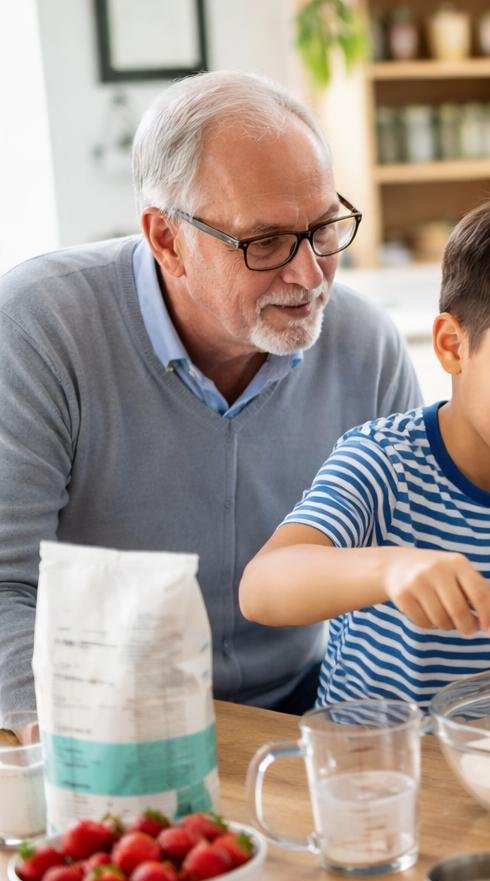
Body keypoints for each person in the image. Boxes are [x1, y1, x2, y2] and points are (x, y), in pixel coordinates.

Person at [0, 71, 420, 719]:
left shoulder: (367, 347)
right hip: (104, 715)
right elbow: (6, 587)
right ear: (167, 239)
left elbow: (405, 576)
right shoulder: (37, 326)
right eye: (267, 241)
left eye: (325, 228)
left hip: (310, 706)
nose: (310, 275)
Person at [239, 196, 490, 709]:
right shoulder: (383, 462)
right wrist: (391, 569)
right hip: (374, 761)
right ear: (453, 346)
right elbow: (261, 589)